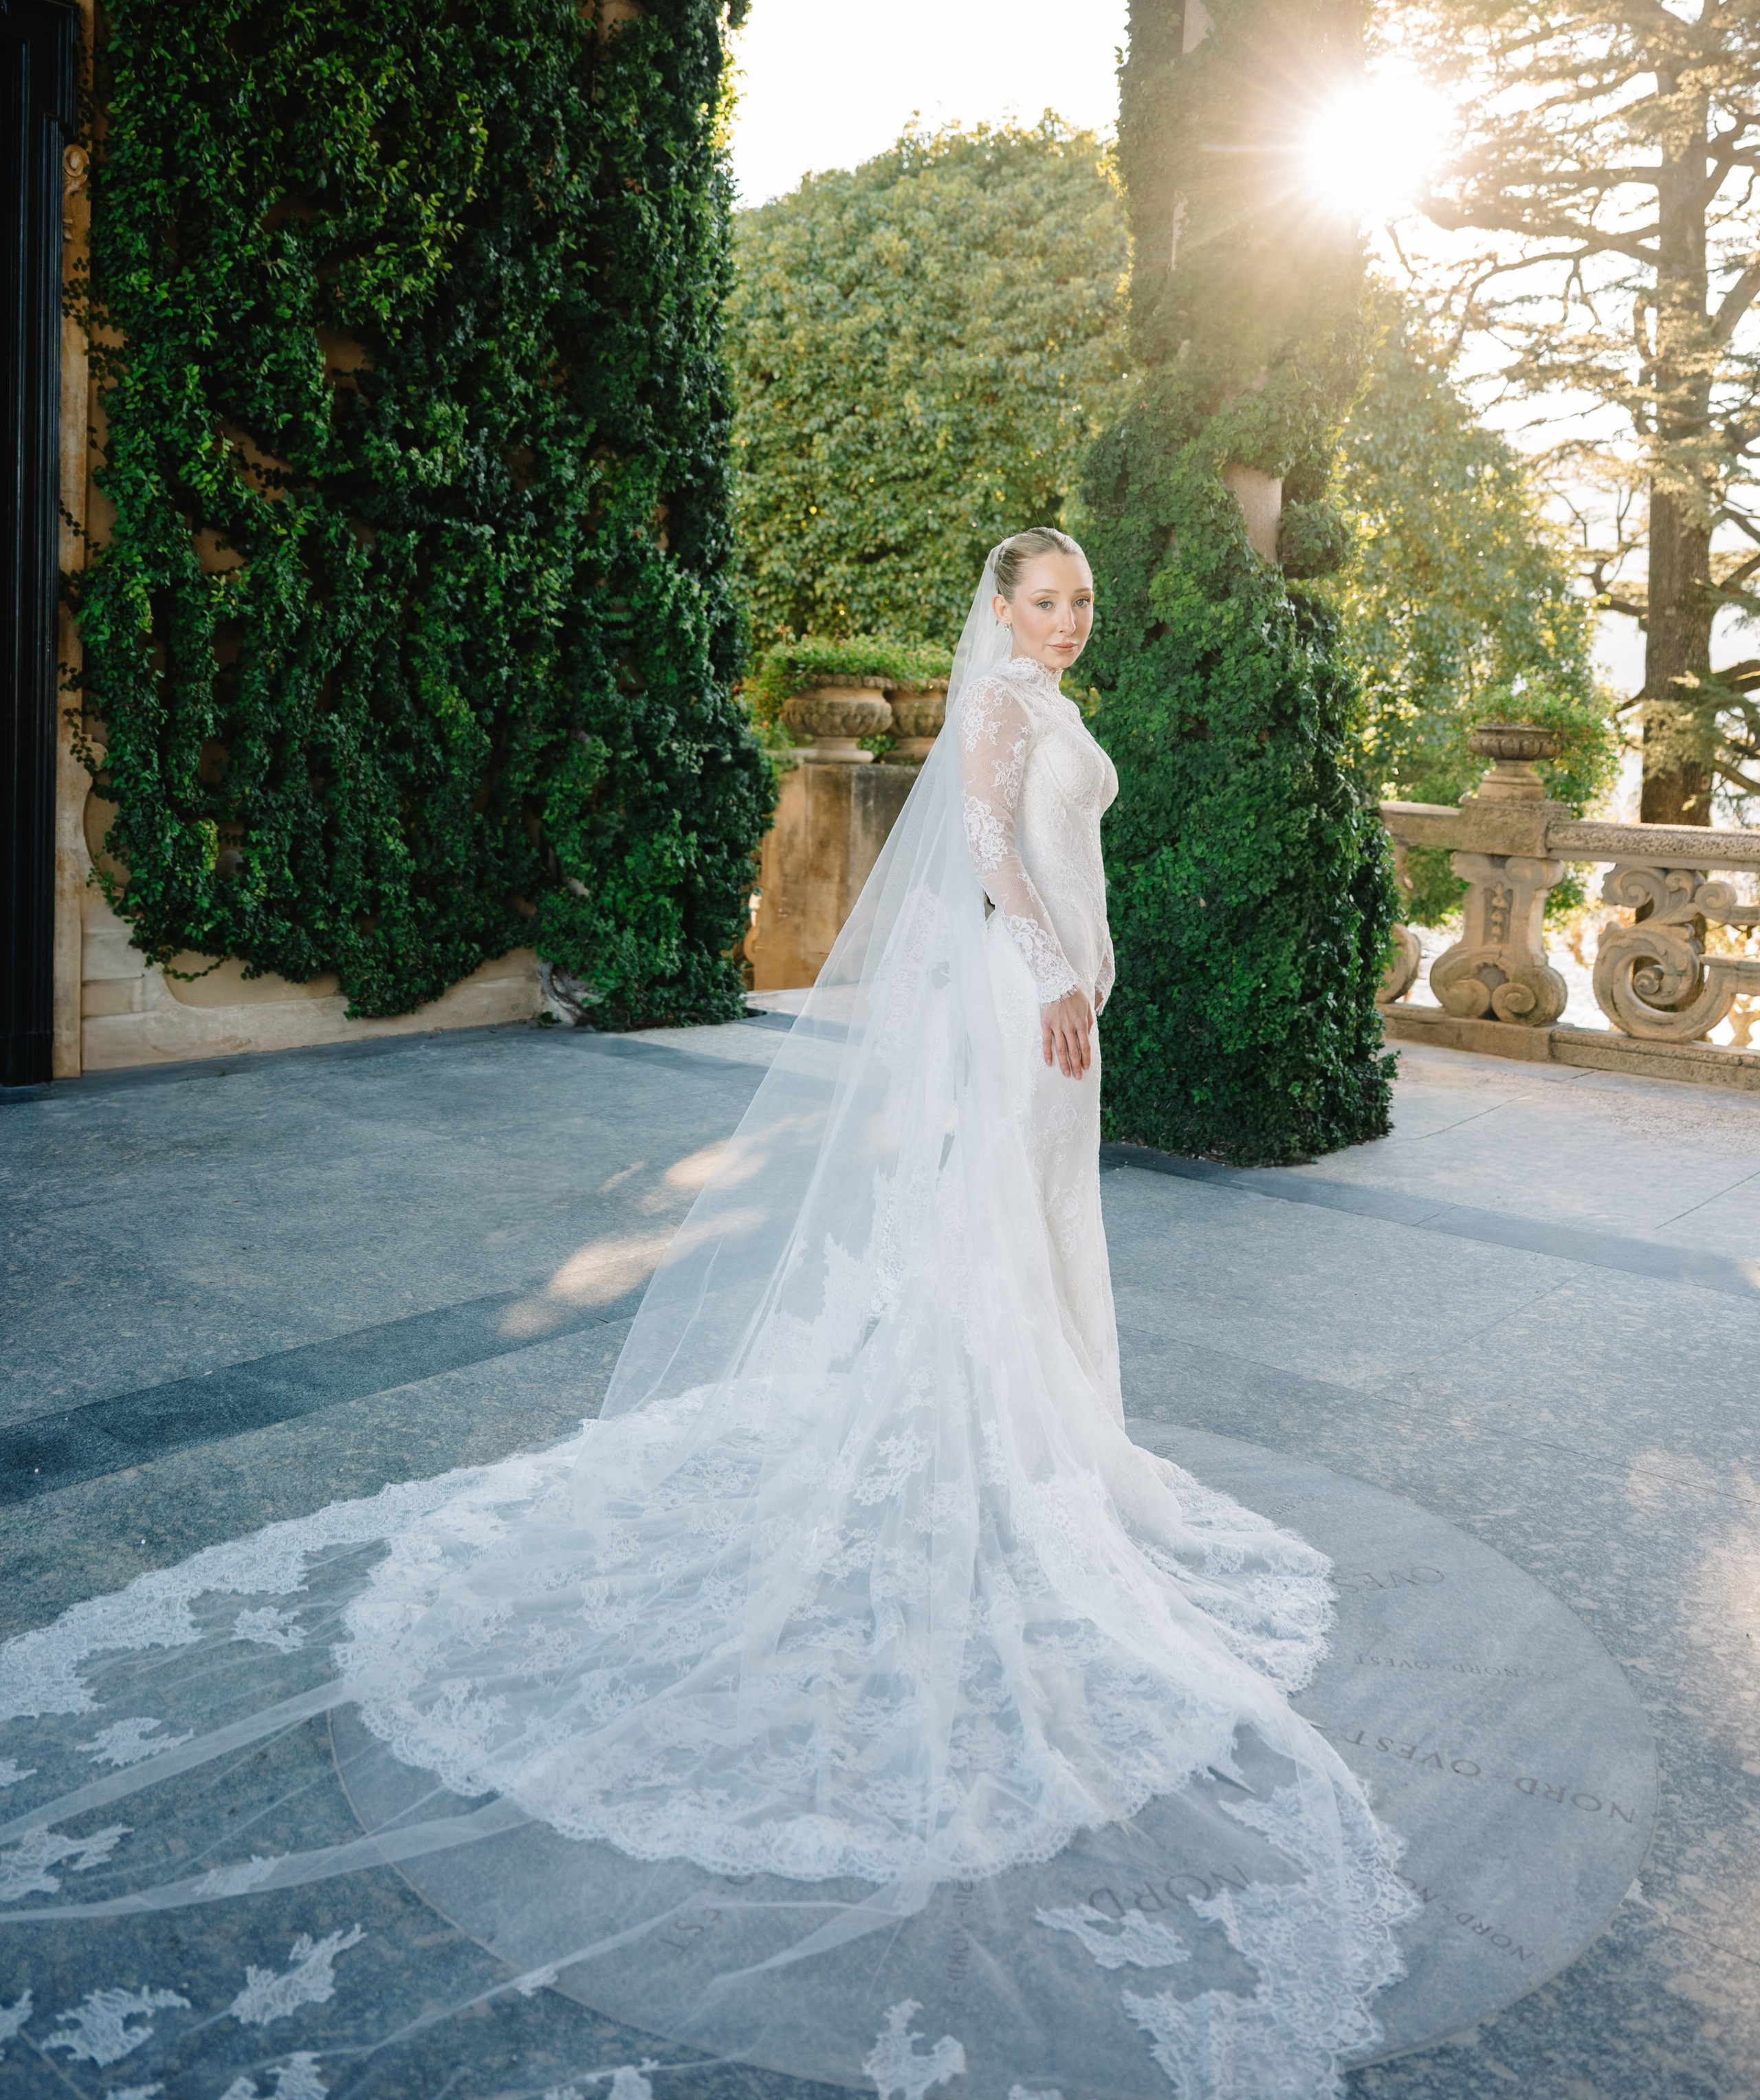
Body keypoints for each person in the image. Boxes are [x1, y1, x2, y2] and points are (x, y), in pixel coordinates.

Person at [0, 531, 1407, 2100]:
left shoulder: (1029, 691)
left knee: (1030, 1214)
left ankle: (1039, 1434)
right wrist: (1048, 969)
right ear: (999, 611)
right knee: (1011, 1216)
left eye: (1084, 599)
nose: (1070, 621)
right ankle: (1004, 1435)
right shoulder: (1004, 705)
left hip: (1047, 987)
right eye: (1047, 600)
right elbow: (988, 846)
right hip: (1028, 994)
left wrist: (1072, 961)